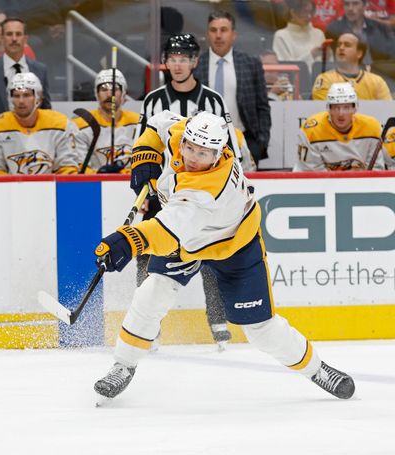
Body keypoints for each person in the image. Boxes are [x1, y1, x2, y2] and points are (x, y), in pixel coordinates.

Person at [91, 110, 355, 403]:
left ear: (218, 153)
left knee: (261, 331)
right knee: (152, 293)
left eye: (202, 153)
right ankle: (123, 365)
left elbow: (166, 232)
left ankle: (317, 369)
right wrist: (145, 153)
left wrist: (126, 241)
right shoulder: (185, 134)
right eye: (190, 146)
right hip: (188, 239)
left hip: (233, 244)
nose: (192, 156)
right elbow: (157, 122)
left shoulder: (209, 189)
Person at [141, 33, 256, 350]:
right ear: (166, 62)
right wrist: (144, 174)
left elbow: (230, 147)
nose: (178, 64)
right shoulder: (153, 100)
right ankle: (150, 329)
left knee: (209, 252)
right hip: (164, 193)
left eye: (184, 58)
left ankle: (218, 324)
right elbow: (146, 143)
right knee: (152, 255)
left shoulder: (213, 100)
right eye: (172, 58)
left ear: (194, 62)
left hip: (204, 193)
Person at [194, 11, 271, 165]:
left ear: (233, 34)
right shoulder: (196, 65)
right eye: (213, 30)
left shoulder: (250, 63)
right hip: (203, 143)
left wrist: (260, 143)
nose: (218, 35)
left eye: (223, 30)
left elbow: (262, 106)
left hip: (243, 140)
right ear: (207, 34)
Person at [0, 72, 77, 175]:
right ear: (9, 98)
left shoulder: (61, 124)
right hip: (11, 189)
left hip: (51, 188)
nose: (21, 101)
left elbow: (68, 167)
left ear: (38, 97)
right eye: (16, 96)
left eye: (26, 95)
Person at [0, 17, 50, 145]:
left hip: (35, 145)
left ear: (25, 39)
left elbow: (46, 109)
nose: (14, 39)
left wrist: (46, 142)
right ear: (2, 38)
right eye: (9, 34)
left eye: (18, 34)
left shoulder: (40, 70)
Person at [295, 82, 384, 170]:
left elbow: (375, 170)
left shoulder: (372, 128)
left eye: (346, 107)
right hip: (319, 183)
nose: (341, 114)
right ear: (328, 109)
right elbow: (312, 174)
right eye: (336, 107)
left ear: (354, 109)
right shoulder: (311, 131)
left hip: (359, 183)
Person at [72, 68, 141, 174]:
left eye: (115, 89)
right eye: (104, 89)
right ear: (96, 94)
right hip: (94, 186)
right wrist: (99, 175)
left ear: (123, 93)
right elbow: (77, 167)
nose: (109, 94)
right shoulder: (81, 125)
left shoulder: (138, 123)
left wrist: (122, 173)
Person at [312, 32, 392, 99]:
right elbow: (324, 110)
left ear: (359, 53)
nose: (341, 48)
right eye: (339, 45)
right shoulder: (325, 79)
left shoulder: (377, 81)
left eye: (347, 45)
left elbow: (387, 110)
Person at [326, 0, 394, 64]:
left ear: (364, 6)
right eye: (347, 4)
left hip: (377, 72)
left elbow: (391, 54)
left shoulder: (379, 28)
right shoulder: (334, 30)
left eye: (355, 4)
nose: (350, 8)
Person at [273, 0, 329, 72]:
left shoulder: (319, 34)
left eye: (311, 12)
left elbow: (326, 66)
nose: (309, 16)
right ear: (293, 12)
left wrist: (328, 57)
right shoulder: (281, 36)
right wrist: (311, 55)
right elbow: (286, 68)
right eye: (305, 12)